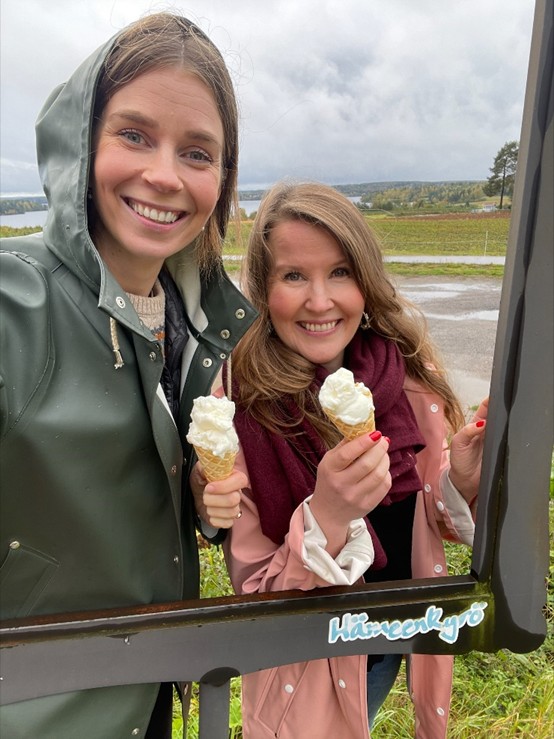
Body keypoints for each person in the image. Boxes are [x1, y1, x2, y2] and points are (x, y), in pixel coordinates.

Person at [0, 12, 255, 739]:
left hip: (143, 702)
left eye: (198, 152)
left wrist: (200, 497)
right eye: (135, 135)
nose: (165, 175)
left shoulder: (191, 321)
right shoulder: (14, 304)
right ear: (81, 139)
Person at [192, 181, 488, 738]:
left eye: (341, 273)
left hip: (396, 637)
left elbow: (424, 522)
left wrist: (458, 483)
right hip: (310, 663)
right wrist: (326, 516)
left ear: (366, 281)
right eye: (294, 275)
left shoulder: (403, 378)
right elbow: (257, 591)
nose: (321, 301)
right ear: (263, 286)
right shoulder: (240, 402)